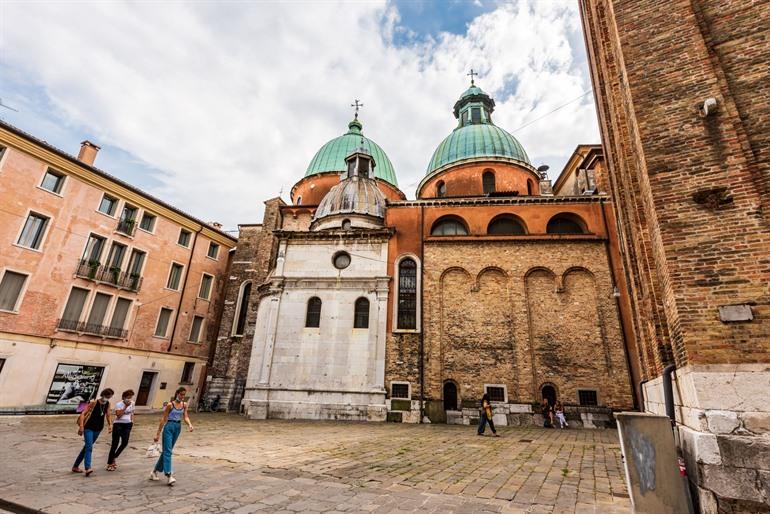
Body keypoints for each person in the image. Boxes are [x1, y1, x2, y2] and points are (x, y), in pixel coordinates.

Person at [150, 387, 194, 486]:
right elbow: (164, 419)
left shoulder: (184, 405)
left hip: (178, 427)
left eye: (183, 395)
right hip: (169, 427)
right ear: (177, 394)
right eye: (181, 394)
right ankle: (169, 475)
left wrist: (190, 424)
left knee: (167, 450)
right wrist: (158, 433)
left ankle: (154, 471)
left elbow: (185, 416)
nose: (182, 396)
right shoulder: (170, 405)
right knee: (168, 451)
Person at [72, 388, 113, 476]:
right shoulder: (93, 403)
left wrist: (110, 425)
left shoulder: (108, 404)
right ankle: (88, 468)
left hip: (98, 429)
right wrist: (82, 426)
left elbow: (108, 414)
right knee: (89, 447)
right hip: (88, 428)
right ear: (103, 395)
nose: (107, 398)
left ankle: (75, 466)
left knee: (87, 447)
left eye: (109, 397)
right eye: (107, 396)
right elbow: (83, 413)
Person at [107, 389, 135, 471]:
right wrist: (125, 406)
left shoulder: (132, 403)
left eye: (130, 397)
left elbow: (132, 413)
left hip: (128, 424)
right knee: (115, 443)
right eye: (128, 397)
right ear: (124, 397)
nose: (129, 399)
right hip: (118, 424)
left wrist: (132, 421)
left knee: (125, 442)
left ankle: (114, 457)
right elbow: (118, 415)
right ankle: (110, 463)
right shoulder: (118, 404)